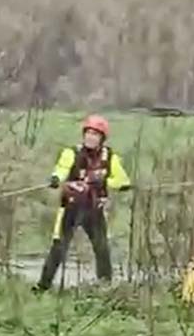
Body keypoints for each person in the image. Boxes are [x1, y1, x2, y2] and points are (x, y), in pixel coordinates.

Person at [33, 114, 131, 292]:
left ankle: (105, 285)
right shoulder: (72, 153)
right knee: (59, 247)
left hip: (94, 210)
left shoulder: (110, 157)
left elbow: (122, 180)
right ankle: (42, 286)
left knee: (102, 247)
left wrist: (107, 182)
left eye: (95, 134)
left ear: (102, 138)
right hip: (71, 208)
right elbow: (61, 169)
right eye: (88, 133)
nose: (91, 137)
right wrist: (56, 178)